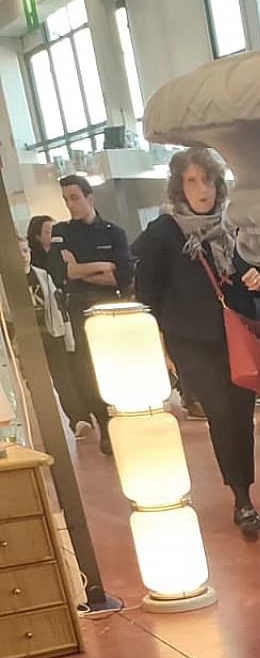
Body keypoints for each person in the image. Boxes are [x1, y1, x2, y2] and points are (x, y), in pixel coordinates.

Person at [133, 147, 260, 536]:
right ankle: (242, 500)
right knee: (221, 412)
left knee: (242, 416)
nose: (202, 189)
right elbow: (148, 293)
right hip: (190, 338)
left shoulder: (236, 225)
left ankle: (244, 489)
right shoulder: (163, 232)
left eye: (208, 179)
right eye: (192, 181)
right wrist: (160, 343)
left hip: (237, 333)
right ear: (179, 186)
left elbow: (258, 269)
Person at [48, 174, 133, 453]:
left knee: (118, 366)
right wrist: (102, 265)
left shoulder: (114, 232)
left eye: (74, 197)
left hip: (110, 307)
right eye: (66, 199)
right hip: (79, 309)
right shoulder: (62, 231)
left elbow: (121, 278)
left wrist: (81, 269)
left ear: (90, 198)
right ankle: (105, 423)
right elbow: (62, 274)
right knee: (87, 369)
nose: (70, 204)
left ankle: (123, 419)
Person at [19, 233, 84, 431]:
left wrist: (66, 335)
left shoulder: (43, 275)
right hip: (26, 339)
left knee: (64, 378)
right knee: (37, 385)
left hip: (51, 333)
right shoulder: (7, 281)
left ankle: (78, 420)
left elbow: (58, 307)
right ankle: (48, 426)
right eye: (18, 252)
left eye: (24, 250)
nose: (22, 255)